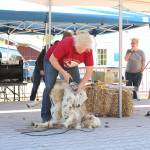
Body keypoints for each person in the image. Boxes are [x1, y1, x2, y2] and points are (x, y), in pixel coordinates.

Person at [41, 30, 94, 122]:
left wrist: (81, 86)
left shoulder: (88, 50)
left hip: (70, 63)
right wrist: (63, 73)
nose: (81, 52)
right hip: (52, 61)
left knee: (76, 87)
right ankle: (46, 116)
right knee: (49, 86)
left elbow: (89, 71)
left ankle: (73, 116)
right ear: (75, 43)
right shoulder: (66, 43)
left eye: (83, 49)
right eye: (79, 48)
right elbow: (53, 59)